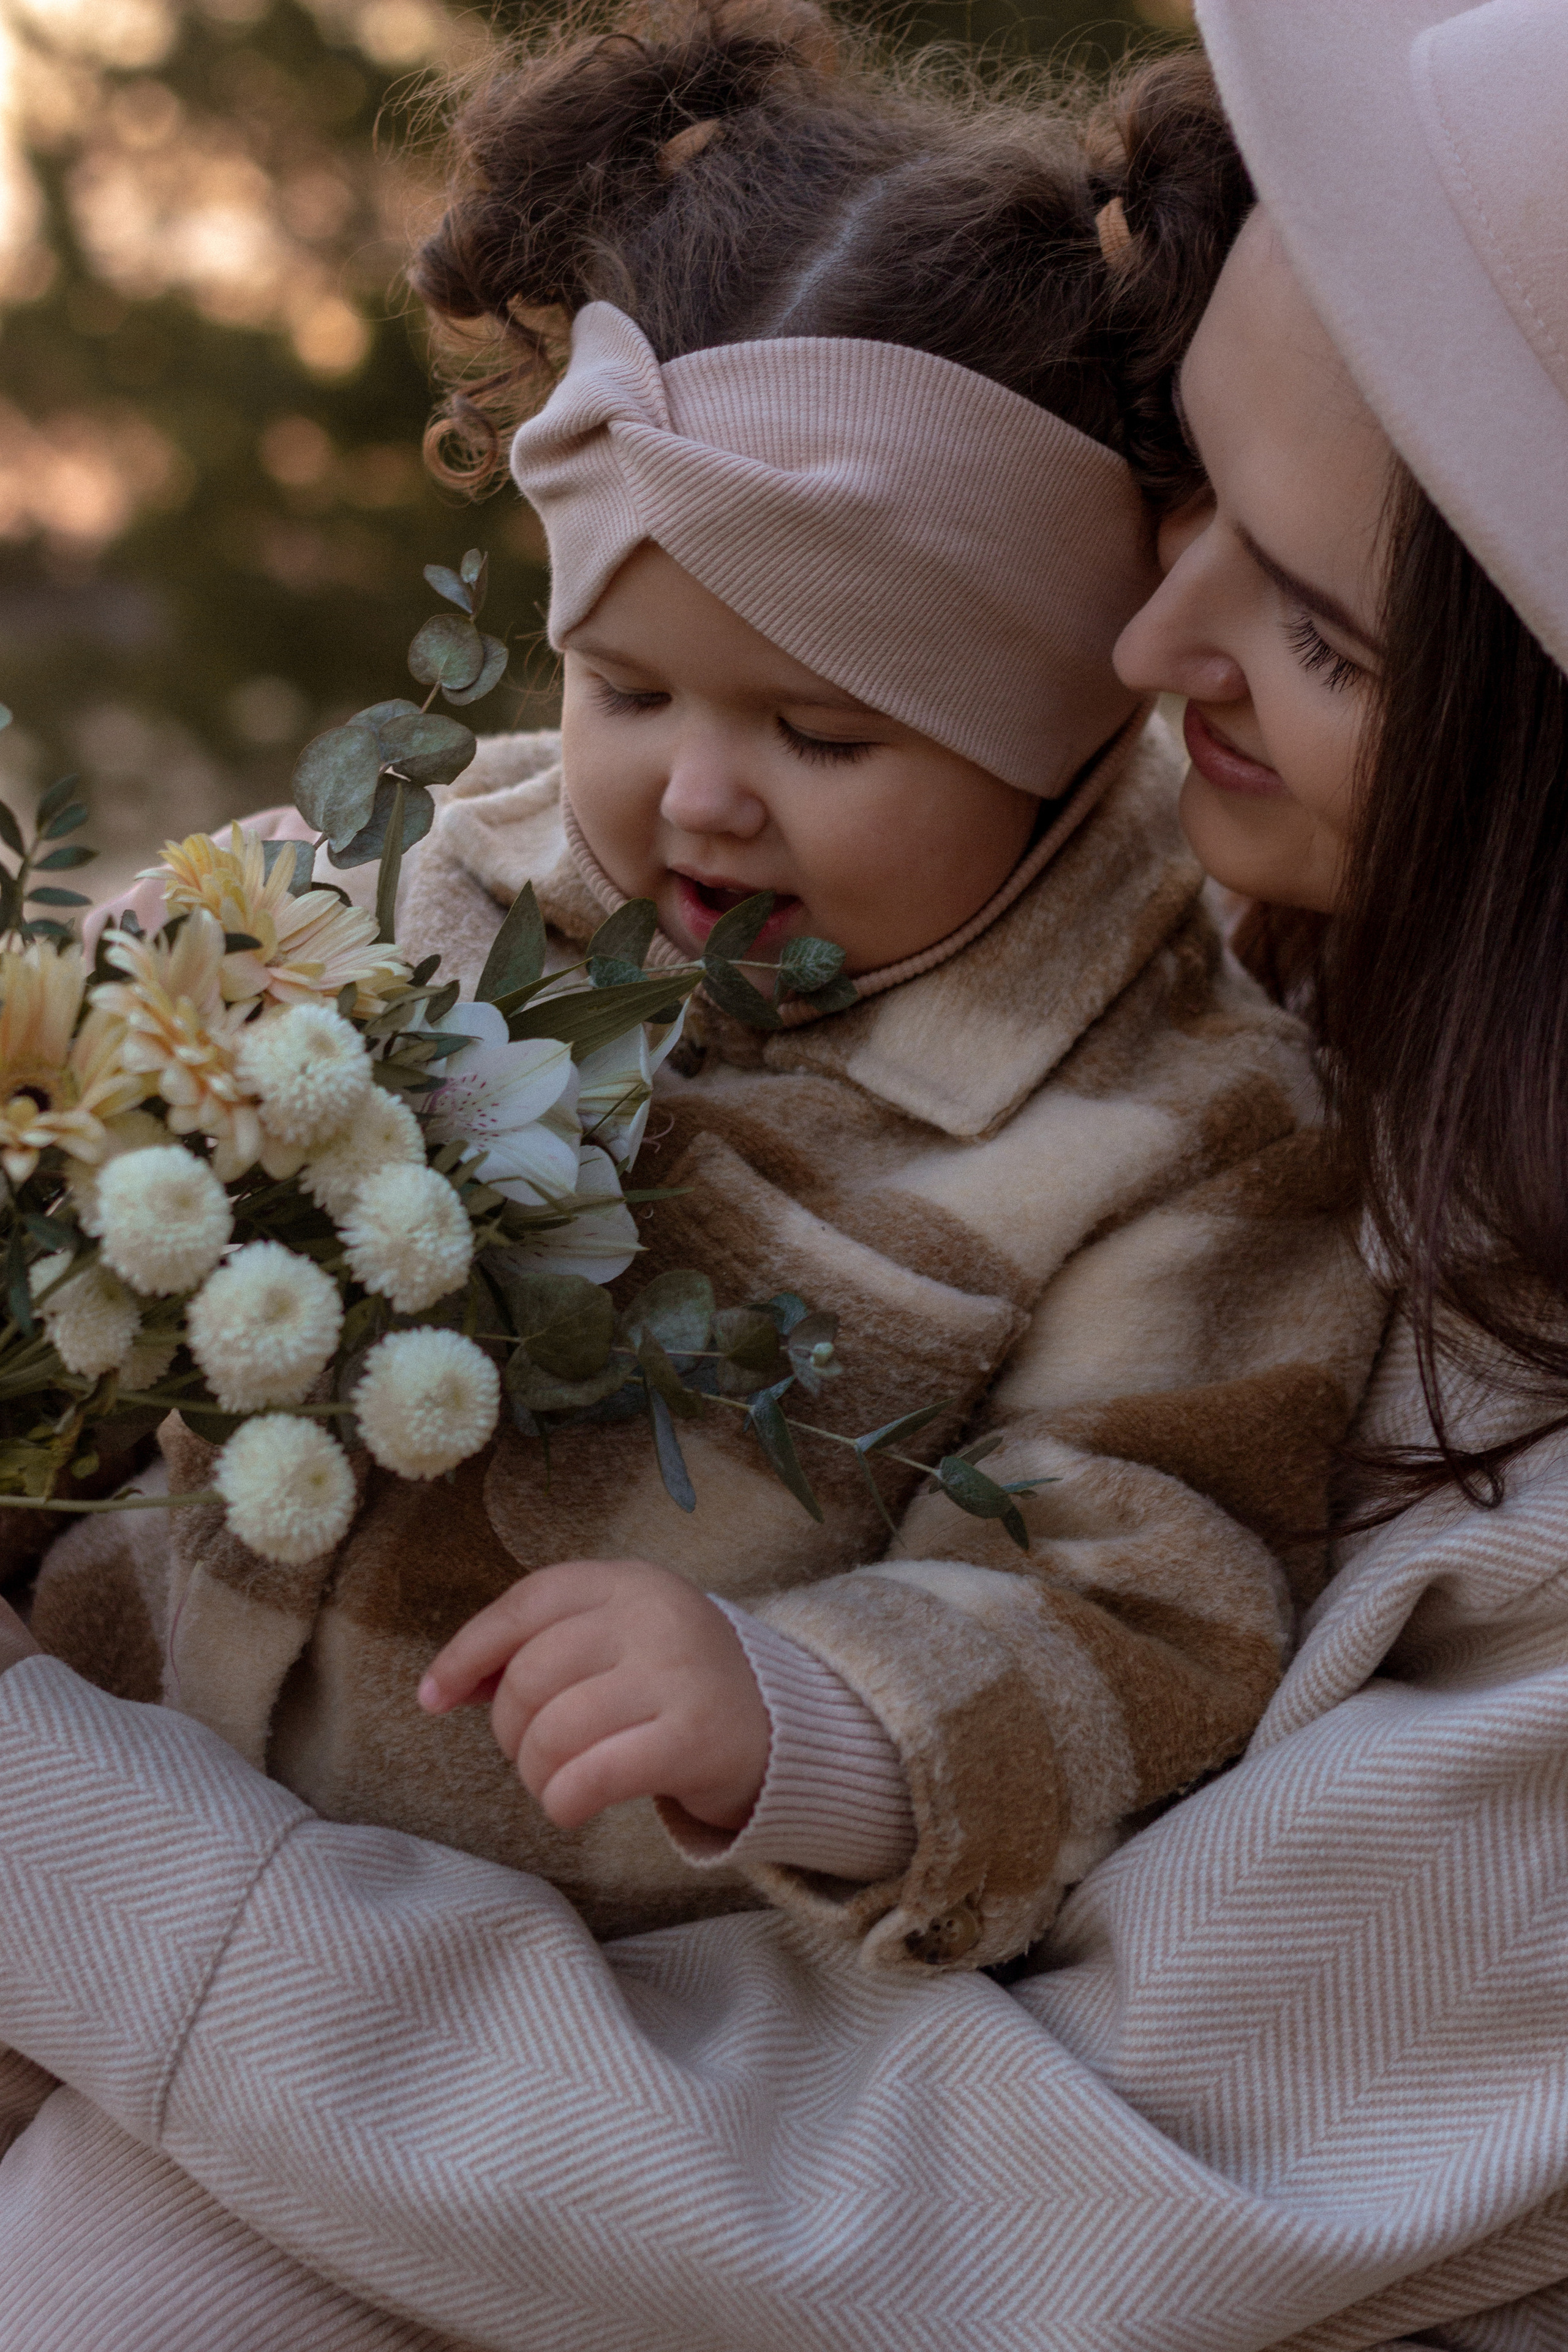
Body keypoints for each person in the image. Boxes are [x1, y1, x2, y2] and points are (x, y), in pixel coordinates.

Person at [0, 4, 1563, 2345]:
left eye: (1317, 629)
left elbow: (941, 2168)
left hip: (463, 2108)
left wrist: (818, 1717)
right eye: (629, 692)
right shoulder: (436, 880)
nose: (1150, 644)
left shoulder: (1185, 1128)